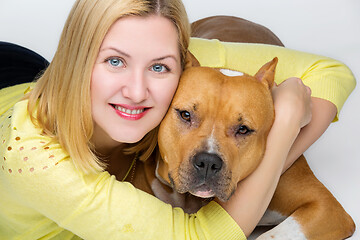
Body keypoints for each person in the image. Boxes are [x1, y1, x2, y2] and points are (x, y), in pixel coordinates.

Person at [0, 0, 355, 239]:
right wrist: (290, 116)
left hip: (31, 70)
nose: (137, 91)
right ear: (75, 59)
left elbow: (331, 72)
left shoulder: (186, 70)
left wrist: (278, 137)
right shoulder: (33, 160)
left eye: (159, 67)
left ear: (182, 60)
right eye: (114, 60)